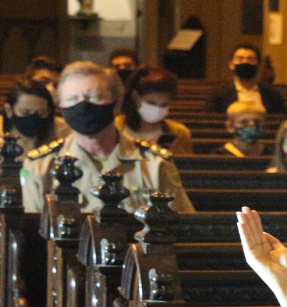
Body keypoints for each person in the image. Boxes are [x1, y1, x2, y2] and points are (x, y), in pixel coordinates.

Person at [20, 61, 195, 214]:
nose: (82, 106)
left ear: (116, 102)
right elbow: (32, 235)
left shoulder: (155, 164)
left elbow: (182, 223)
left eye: (94, 97)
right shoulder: (40, 166)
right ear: (61, 106)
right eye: (73, 99)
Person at [116, 66, 193, 156]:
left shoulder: (179, 132)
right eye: (151, 103)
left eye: (164, 105)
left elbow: (188, 165)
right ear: (136, 97)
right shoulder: (116, 127)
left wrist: (178, 155)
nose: (157, 109)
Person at [205, 44, 287, 114]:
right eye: (240, 59)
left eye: (250, 59)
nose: (245, 62)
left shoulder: (272, 95)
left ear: (258, 64)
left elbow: (280, 119)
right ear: (231, 64)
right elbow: (210, 120)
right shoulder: (219, 95)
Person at [1, 79, 70, 157]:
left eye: (40, 112)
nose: (32, 118)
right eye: (25, 112)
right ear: (9, 110)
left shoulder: (64, 132)